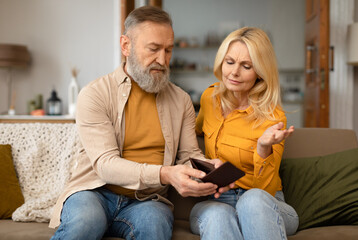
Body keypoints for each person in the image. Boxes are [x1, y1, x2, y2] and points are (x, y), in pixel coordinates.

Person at [49, 6, 227, 240]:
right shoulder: (95, 94)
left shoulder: (181, 100)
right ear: (126, 46)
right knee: (85, 223)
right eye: (153, 49)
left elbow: (188, 155)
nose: (162, 60)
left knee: (154, 227)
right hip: (95, 192)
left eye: (168, 50)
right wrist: (165, 174)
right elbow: (105, 164)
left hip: (148, 201)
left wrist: (210, 171)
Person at [189, 27, 299, 240]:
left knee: (252, 201)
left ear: (260, 71)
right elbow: (192, 134)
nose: (233, 72)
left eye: (246, 66)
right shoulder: (209, 98)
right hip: (217, 200)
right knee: (219, 215)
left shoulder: (272, 116)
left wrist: (263, 147)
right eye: (229, 62)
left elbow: (265, 191)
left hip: (266, 204)